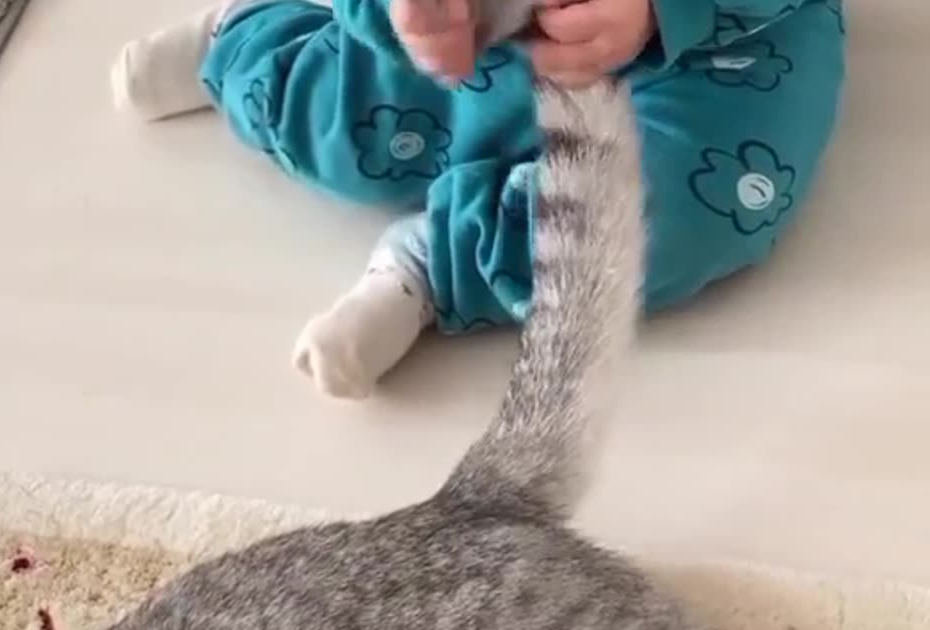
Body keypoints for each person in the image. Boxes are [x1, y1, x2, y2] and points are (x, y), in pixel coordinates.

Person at [111, 0, 846, 398]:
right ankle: (243, 39)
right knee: (337, 131)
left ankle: (435, 262)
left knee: (675, 216)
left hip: (718, 44)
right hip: (476, 32)